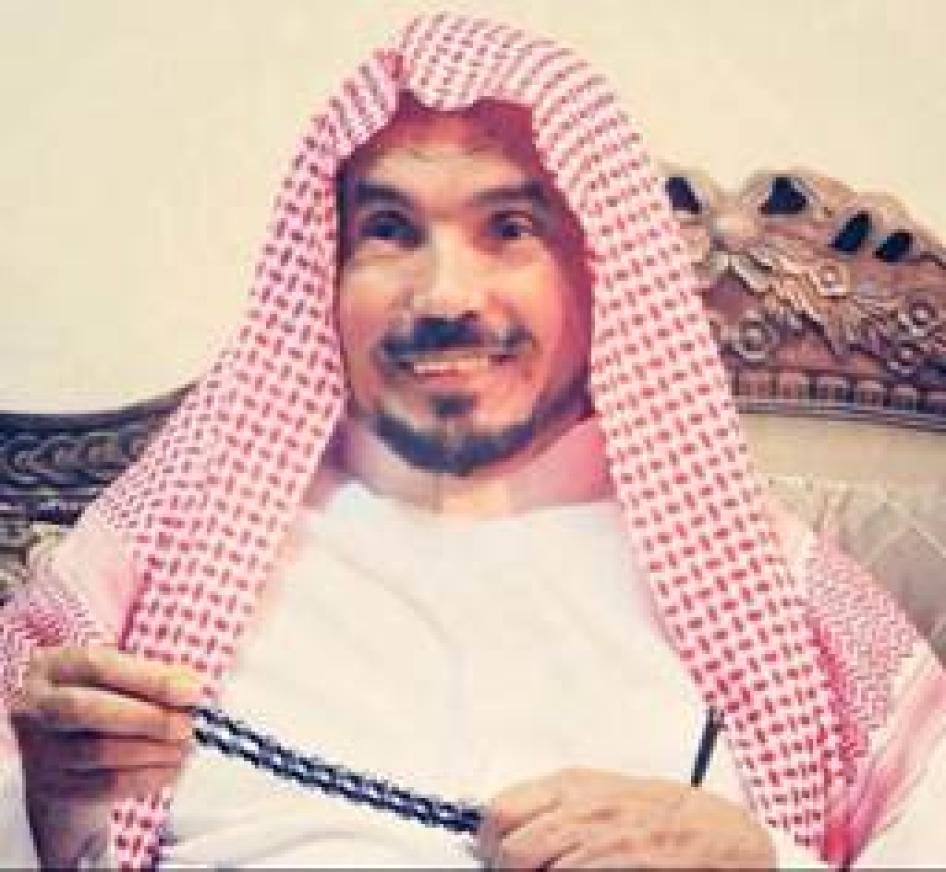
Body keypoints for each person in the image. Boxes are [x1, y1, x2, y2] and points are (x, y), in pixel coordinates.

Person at [2, 13, 945, 869]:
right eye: (388, 230)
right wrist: (51, 803)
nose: (444, 295)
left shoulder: (780, 596)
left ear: (598, 272)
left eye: (510, 228)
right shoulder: (165, 545)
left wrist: (756, 860)